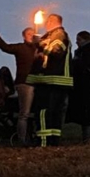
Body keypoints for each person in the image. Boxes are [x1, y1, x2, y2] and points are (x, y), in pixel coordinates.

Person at [27, 13, 72, 146]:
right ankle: (53, 141)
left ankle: (43, 141)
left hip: (50, 80)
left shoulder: (58, 35)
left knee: (43, 111)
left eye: (48, 21)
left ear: (53, 21)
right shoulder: (53, 36)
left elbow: (56, 51)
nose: (45, 23)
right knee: (55, 113)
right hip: (55, 81)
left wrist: (39, 44)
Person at [0, 27, 39, 144]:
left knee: (37, 112)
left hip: (38, 83)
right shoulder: (20, 48)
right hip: (24, 84)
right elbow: (6, 48)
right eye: (29, 34)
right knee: (24, 113)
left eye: (33, 33)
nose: (31, 35)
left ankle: (35, 137)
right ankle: (22, 140)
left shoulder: (38, 49)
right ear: (24, 36)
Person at [67, 30, 90, 142]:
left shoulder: (87, 52)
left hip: (84, 85)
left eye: (79, 39)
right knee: (89, 112)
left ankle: (87, 137)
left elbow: (82, 67)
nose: (77, 42)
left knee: (85, 112)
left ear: (85, 40)